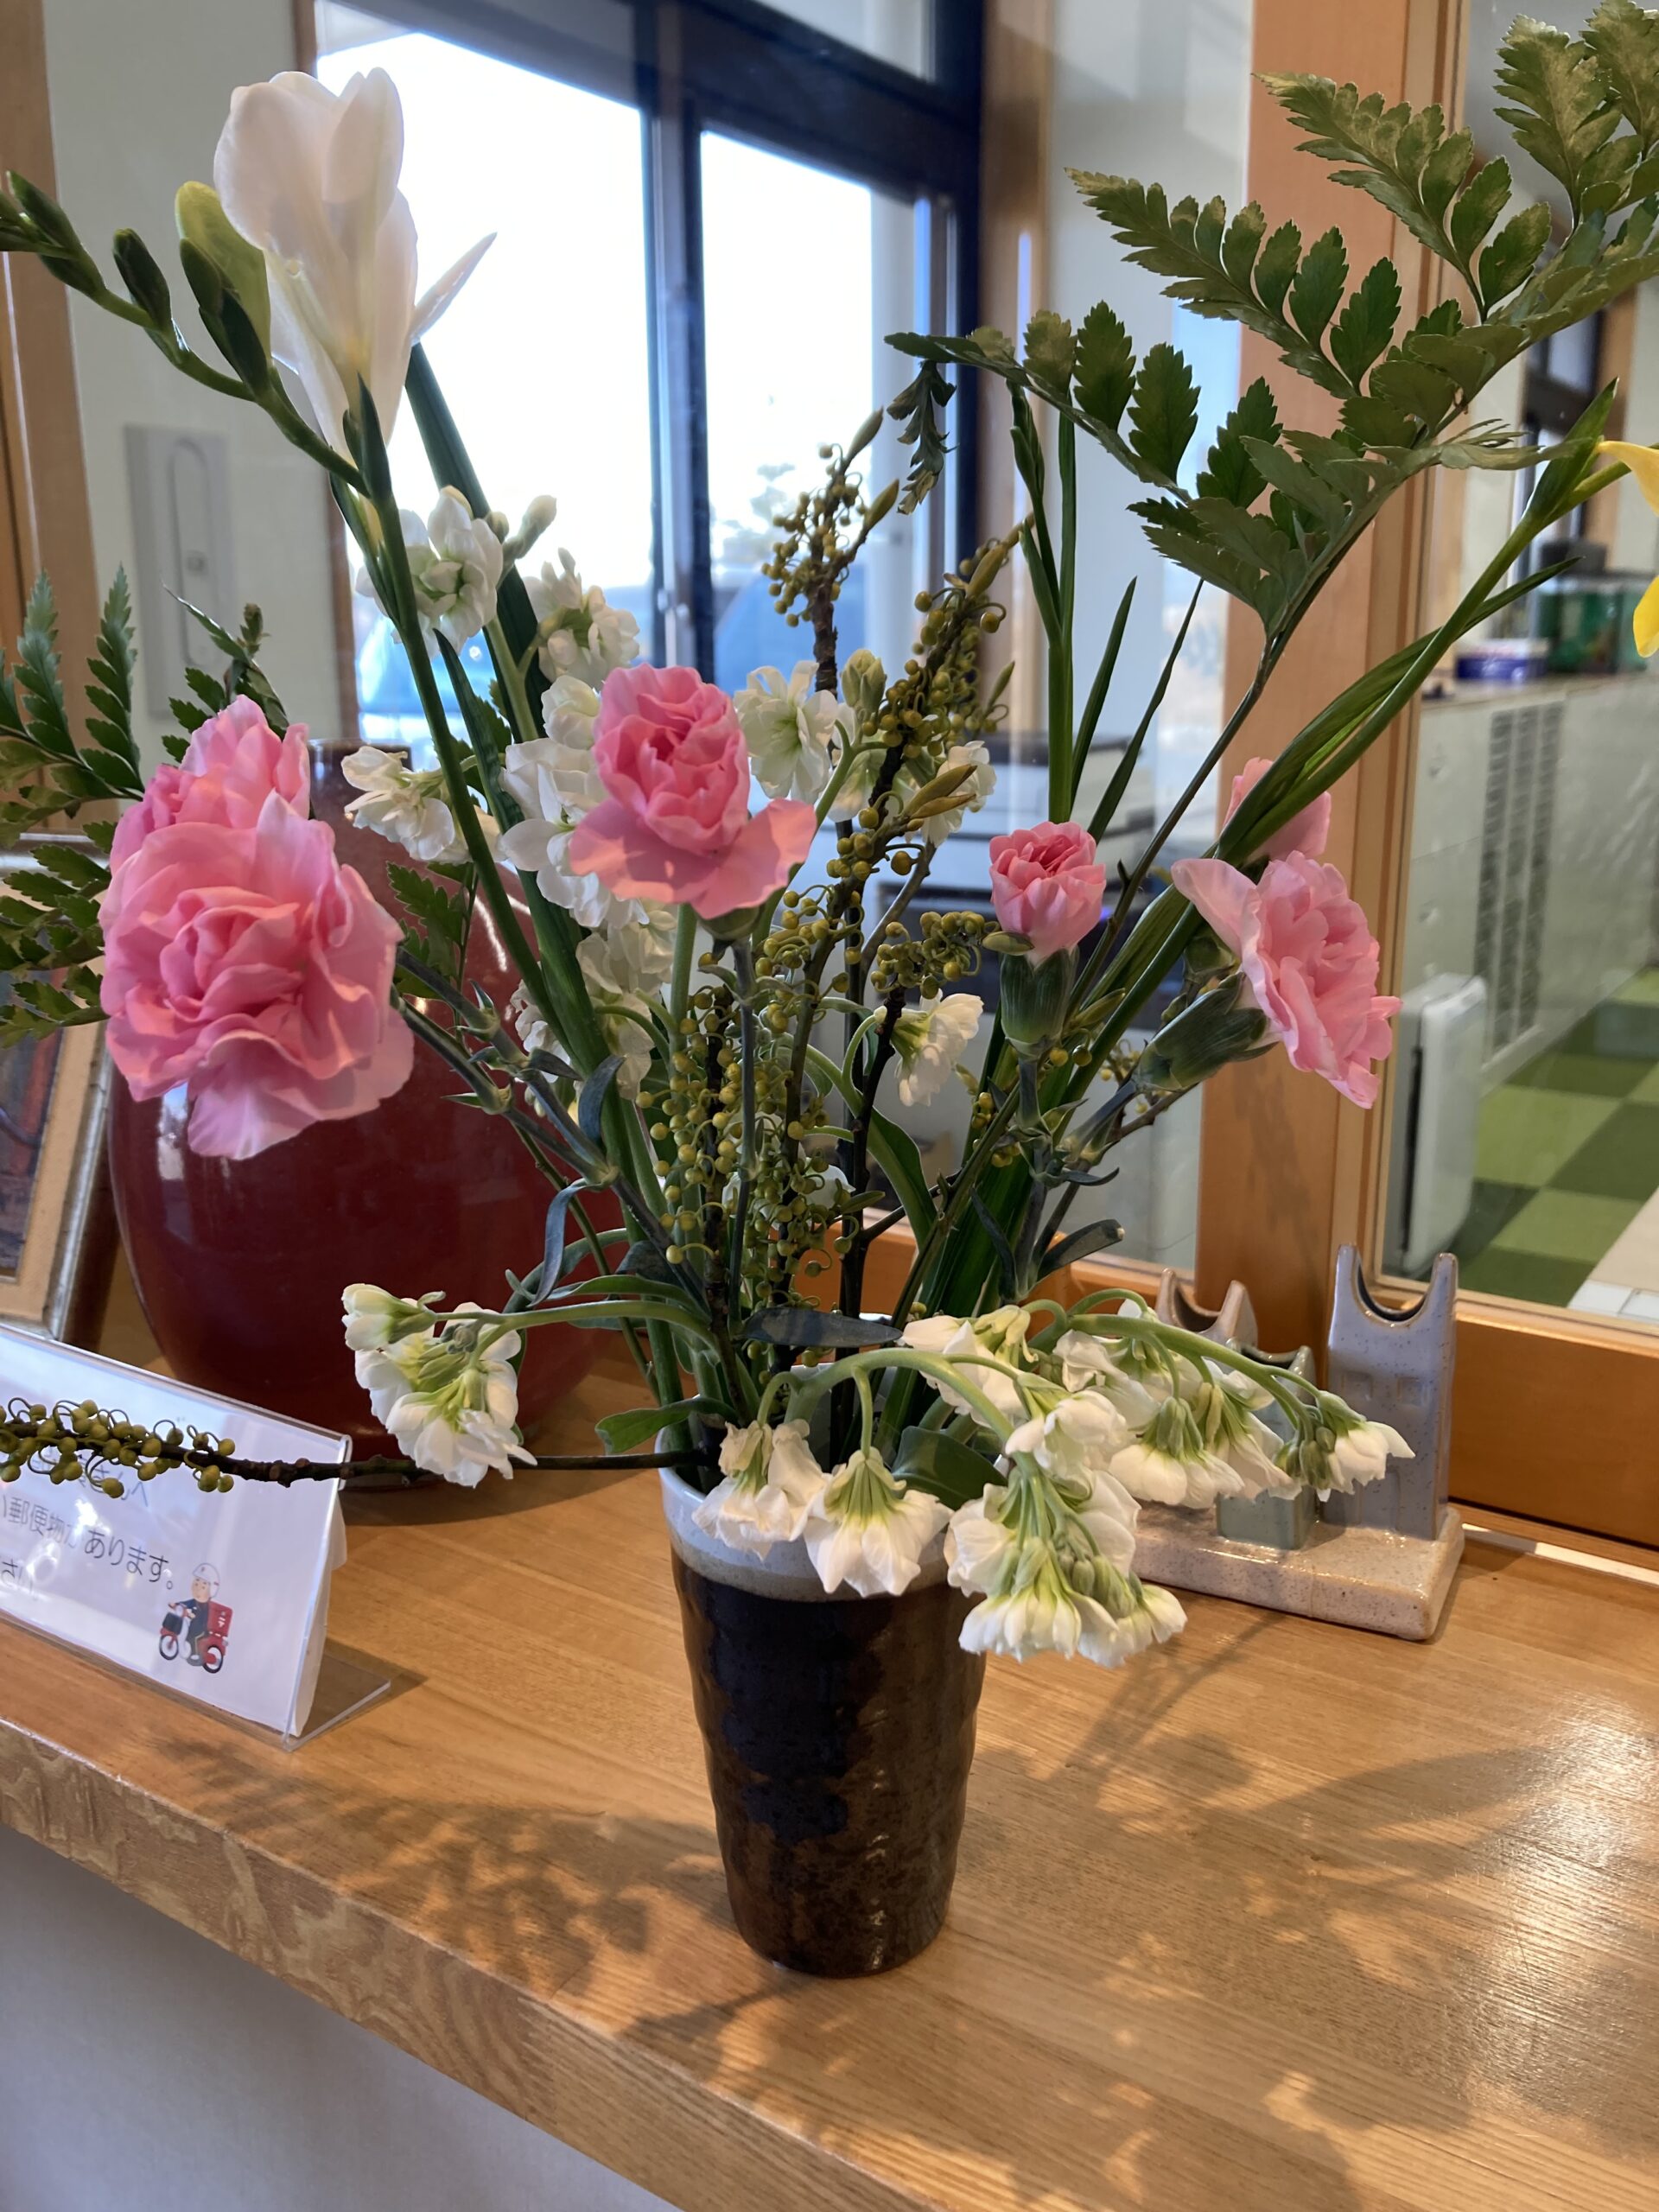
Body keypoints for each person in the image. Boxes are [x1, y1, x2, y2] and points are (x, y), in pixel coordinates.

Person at [178, 1565, 219, 1667]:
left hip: (201, 1629)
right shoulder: (195, 1601)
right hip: (192, 1626)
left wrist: (192, 1615)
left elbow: (204, 1618)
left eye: (203, 1587)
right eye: (196, 1584)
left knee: (193, 1638)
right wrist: (177, 1604)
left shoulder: (206, 1606)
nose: (198, 1589)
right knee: (185, 1632)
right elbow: (187, 1603)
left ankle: (195, 1654)